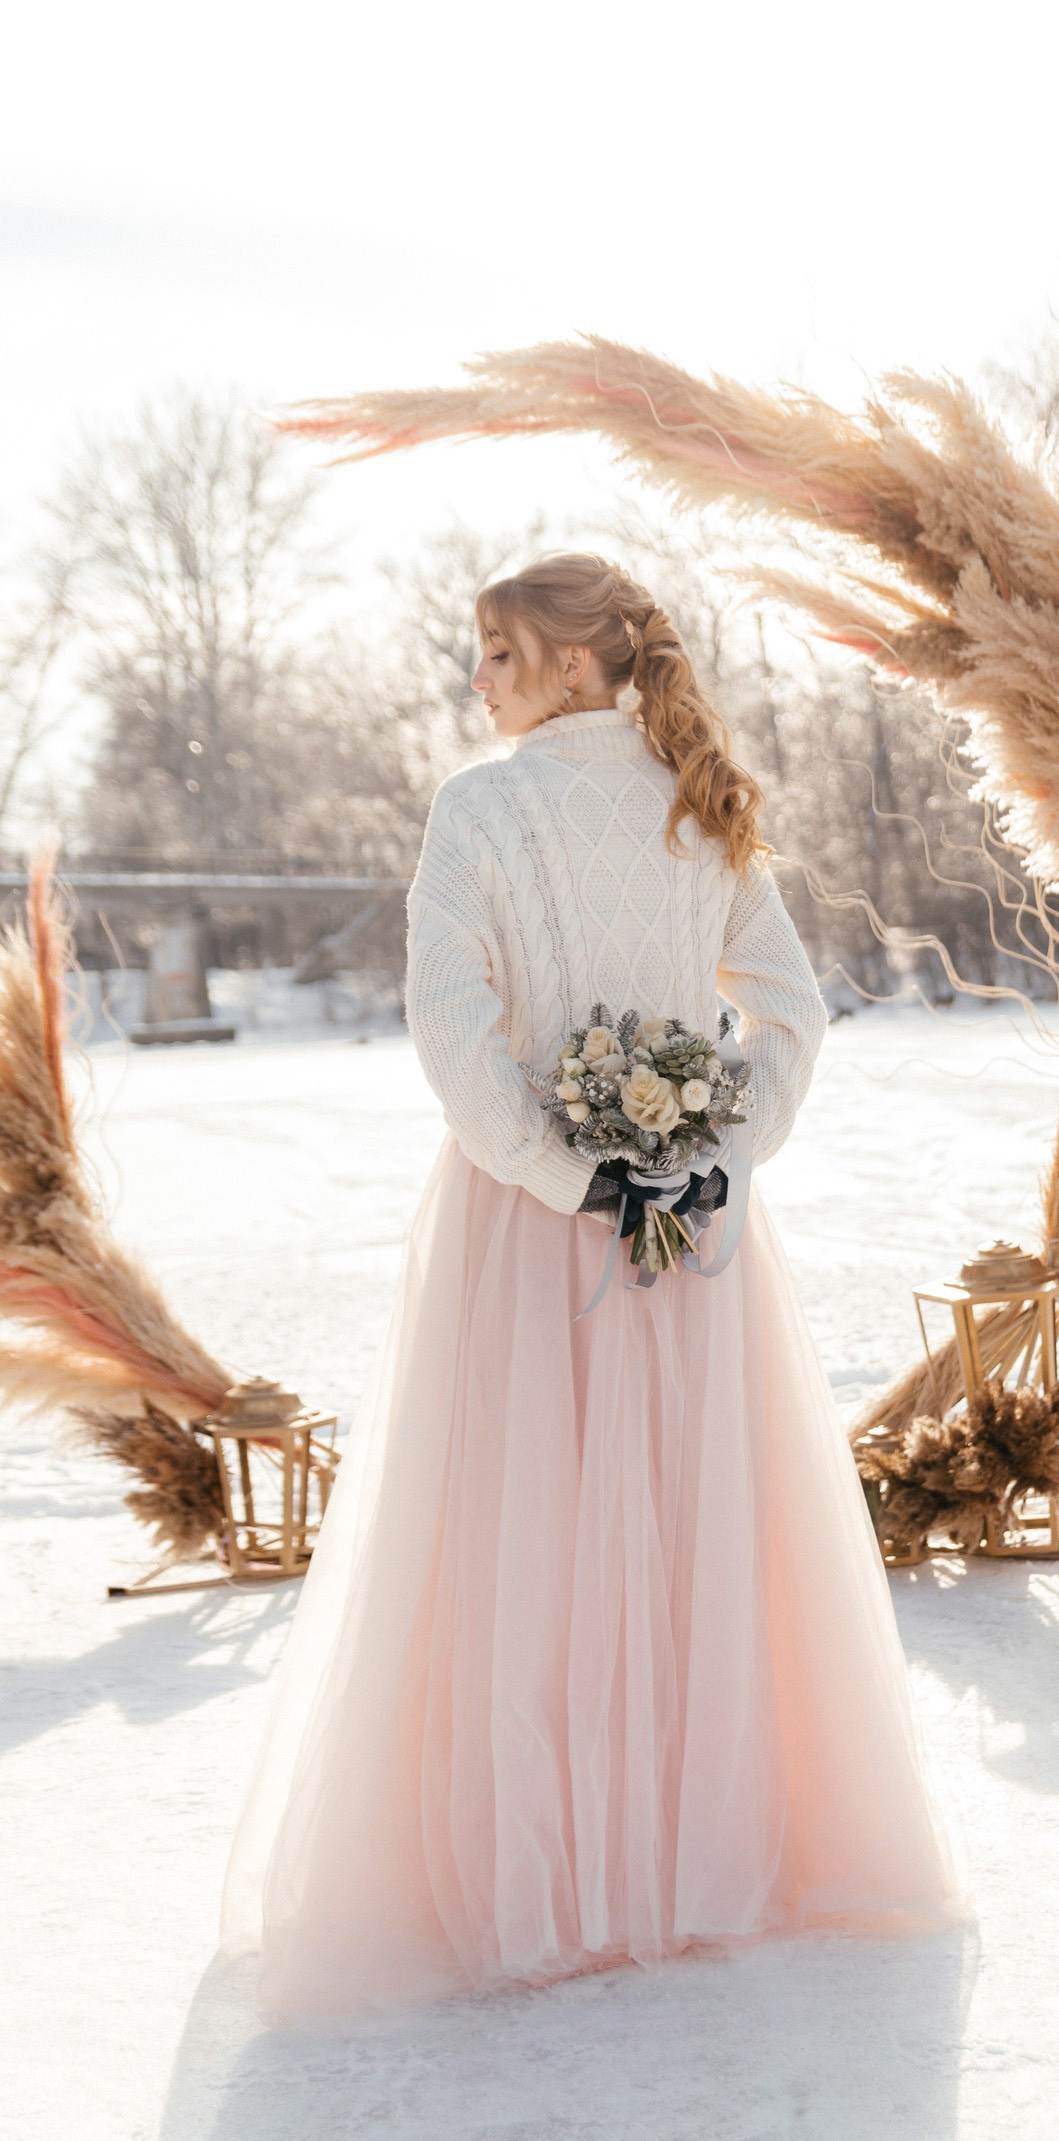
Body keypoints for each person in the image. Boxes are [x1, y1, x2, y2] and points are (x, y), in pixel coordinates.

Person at [222, 552, 961, 2018]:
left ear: (575, 665)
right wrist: (711, 1159)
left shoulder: (481, 806)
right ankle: (700, 1861)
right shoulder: (702, 803)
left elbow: (452, 1040)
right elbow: (792, 1017)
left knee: (522, 1547)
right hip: (691, 1239)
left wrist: (577, 1176)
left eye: (497, 653)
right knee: (691, 1532)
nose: (476, 682)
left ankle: (544, 1879)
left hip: (528, 1229)